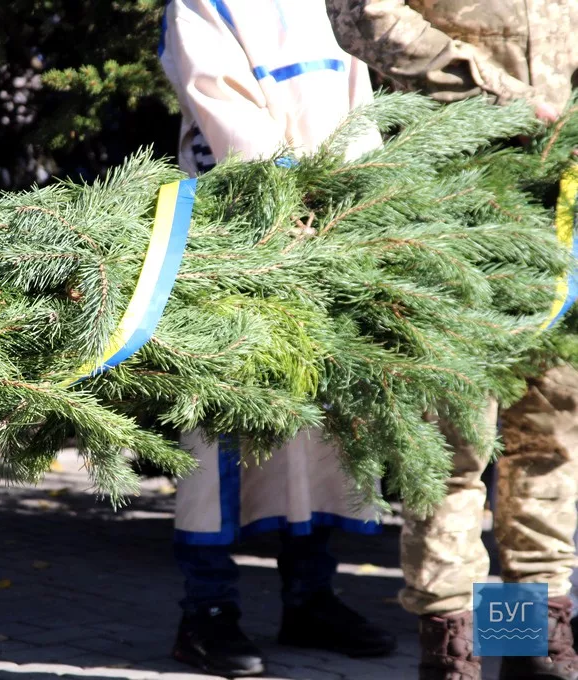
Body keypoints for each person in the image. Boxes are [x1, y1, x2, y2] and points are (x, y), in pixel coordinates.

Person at [323, 2, 578, 678]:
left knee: (546, 436)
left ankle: (527, 640)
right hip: (455, 194)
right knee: (454, 443)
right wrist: (493, 97)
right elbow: (360, 15)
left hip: (561, 199)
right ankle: (453, 642)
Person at [158, 1, 397, 676]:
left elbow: (356, 89)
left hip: (333, 230)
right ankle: (206, 614)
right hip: (243, 231)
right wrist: (285, 193)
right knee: (220, 433)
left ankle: (311, 598)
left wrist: (358, 198)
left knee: (322, 427)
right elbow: (215, 97)